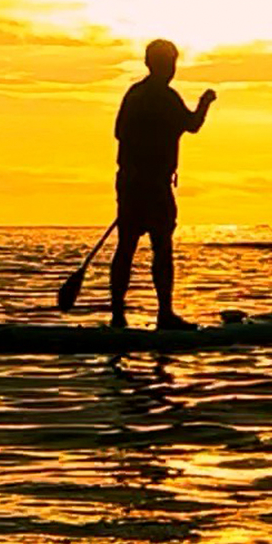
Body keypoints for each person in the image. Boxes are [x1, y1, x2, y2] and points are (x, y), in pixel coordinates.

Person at [109, 39, 216, 330]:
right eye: (167, 64)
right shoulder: (161, 97)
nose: (170, 70)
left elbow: (120, 133)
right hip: (148, 186)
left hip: (136, 184)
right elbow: (192, 125)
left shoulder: (138, 95)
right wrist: (205, 103)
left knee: (130, 247)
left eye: (172, 64)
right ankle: (158, 314)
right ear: (154, 65)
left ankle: (123, 315)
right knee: (155, 248)